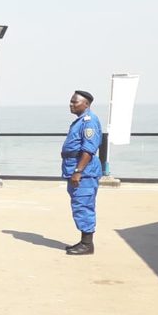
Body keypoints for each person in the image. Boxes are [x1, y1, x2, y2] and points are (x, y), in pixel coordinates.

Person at [61, 90, 103, 256]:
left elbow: (88, 149)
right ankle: (84, 241)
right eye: (71, 101)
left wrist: (78, 171)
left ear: (86, 104)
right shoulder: (80, 121)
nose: (71, 104)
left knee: (83, 205)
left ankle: (87, 245)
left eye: (75, 102)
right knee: (79, 204)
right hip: (74, 169)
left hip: (84, 172)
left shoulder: (89, 121)